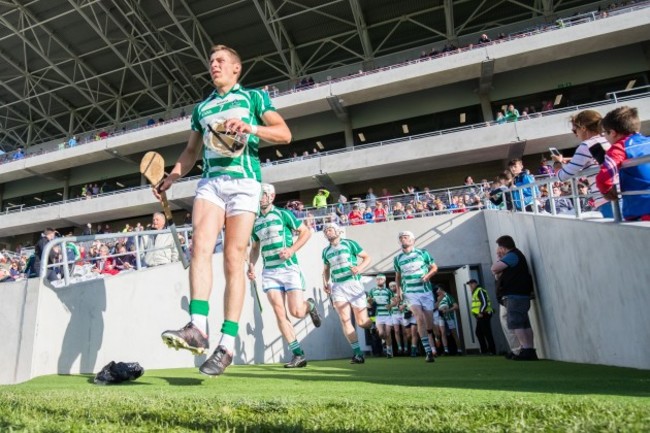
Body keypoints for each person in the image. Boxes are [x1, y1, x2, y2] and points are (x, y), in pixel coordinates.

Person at [158, 44, 292, 377]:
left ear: (236, 68)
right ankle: (198, 325)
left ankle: (226, 344)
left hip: (245, 182)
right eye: (211, 61)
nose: (214, 65)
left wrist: (252, 128)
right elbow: (191, 151)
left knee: (234, 257)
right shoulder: (201, 108)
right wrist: (173, 176)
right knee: (199, 246)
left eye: (220, 61)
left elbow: (285, 134)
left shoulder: (253, 99)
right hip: (211, 183)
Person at [247, 183, 322, 369]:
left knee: (296, 311)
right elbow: (255, 248)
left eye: (263, 194)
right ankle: (298, 354)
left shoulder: (283, 214)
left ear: (271, 196)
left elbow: (306, 232)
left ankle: (310, 305)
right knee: (279, 312)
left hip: (289, 268)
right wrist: (251, 264)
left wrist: (291, 250)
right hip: (270, 272)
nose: (260, 197)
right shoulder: (254, 221)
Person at [322, 222, 372, 364]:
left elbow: (367, 257)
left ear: (338, 231)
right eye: (326, 231)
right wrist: (325, 283)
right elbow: (326, 270)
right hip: (337, 286)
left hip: (353, 284)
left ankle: (372, 326)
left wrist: (359, 268)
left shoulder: (350, 244)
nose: (328, 232)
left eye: (330, 229)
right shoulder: (326, 251)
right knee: (344, 319)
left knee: (362, 322)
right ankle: (358, 354)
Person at [552, 110, 611, 217]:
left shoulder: (586, 145)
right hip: (624, 195)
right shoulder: (608, 140)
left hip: (606, 199)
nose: (576, 135)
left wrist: (557, 163)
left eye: (575, 130)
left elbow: (562, 176)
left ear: (583, 128)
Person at [596, 106, 650, 221]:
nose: (604, 136)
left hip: (642, 210)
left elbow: (603, 178)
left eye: (604, 133)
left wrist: (607, 191)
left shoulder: (619, 148)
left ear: (613, 133)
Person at [491, 235, 538, 361]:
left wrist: (500, 259)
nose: (498, 250)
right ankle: (529, 349)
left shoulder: (512, 255)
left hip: (514, 295)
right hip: (520, 295)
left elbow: (494, 268)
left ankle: (525, 349)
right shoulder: (516, 256)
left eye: (499, 247)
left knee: (516, 323)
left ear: (502, 247)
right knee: (524, 323)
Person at [393, 231, 438, 362]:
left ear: (413, 240)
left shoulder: (423, 253)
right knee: (419, 318)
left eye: (406, 237)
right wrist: (399, 291)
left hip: (425, 291)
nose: (403, 239)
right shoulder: (397, 258)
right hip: (410, 293)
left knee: (429, 323)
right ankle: (428, 352)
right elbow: (398, 276)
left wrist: (427, 276)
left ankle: (431, 335)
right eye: (401, 238)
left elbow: (435, 268)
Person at [366, 274, 395, 358]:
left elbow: (394, 302)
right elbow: (369, 304)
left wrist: (390, 305)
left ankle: (389, 351)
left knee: (388, 333)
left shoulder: (388, 291)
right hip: (378, 315)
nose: (379, 280)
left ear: (384, 280)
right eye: (377, 279)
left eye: (381, 279)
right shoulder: (372, 291)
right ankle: (386, 343)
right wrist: (370, 302)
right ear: (376, 281)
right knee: (381, 333)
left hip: (388, 315)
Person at [467, 279, 496, 355]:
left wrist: (481, 312)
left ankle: (491, 351)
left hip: (484, 314)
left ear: (476, 283)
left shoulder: (479, 290)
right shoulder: (475, 291)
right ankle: (485, 350)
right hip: (480, 316)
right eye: (470, 284)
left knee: (486, 332)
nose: (470, 285)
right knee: (479, 332)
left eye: (472, 283)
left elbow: (484, 302)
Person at [435, 284, 463, 355]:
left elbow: (456, 306)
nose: (436, 292)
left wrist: (448, 310)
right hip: (441, 317)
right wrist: (439, 306)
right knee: (443, 332)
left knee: (454, 333)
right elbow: (436, 307)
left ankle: (459, 350)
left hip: (449, 317)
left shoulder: (448, 296)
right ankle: (446, 350)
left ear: (441, 289)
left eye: (437, 290)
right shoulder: (438, 298)